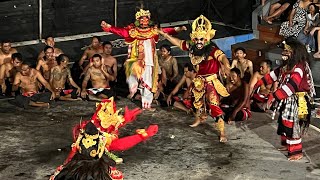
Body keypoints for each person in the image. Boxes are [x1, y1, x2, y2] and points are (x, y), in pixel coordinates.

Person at [158, 15, 231, 142]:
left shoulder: (212, 49)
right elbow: (179, 43)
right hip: (199, 80)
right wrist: (166, 35)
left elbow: (222, 57)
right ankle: (199, 118)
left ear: (207, 39)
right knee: (196, 102)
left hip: (211, 82)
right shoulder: (192, 46)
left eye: (202, 39)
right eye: (196, 39)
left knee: (214, 105)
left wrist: (227, 65)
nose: (199, 42)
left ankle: (222, 132)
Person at [101, 9, 186, 111]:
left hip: (149, 62)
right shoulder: (133, 31)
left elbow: (166, 31)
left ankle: (146, 105)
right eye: (142, 19)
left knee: (148, 84)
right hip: (135, 59)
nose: (144, 21)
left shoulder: (153, 30)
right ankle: (133, 88)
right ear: (138, 20)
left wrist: (179, 29)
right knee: (132, 75)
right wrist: (108, 26)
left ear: (149, 20)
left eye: (146, 19)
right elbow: (120, 31)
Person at [254, 39, 315, 161]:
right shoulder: (287, 66)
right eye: (284, 51)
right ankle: (287, 145)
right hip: (287, 99)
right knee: (283, 121)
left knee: (291, 125)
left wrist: (273, 96)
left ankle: (296, 151)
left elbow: (291, 87)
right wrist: (259, 82)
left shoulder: (299, 67)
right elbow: (274, 74)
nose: (284, 54)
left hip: (297, 100)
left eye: (287, 51)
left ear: (294, 53)